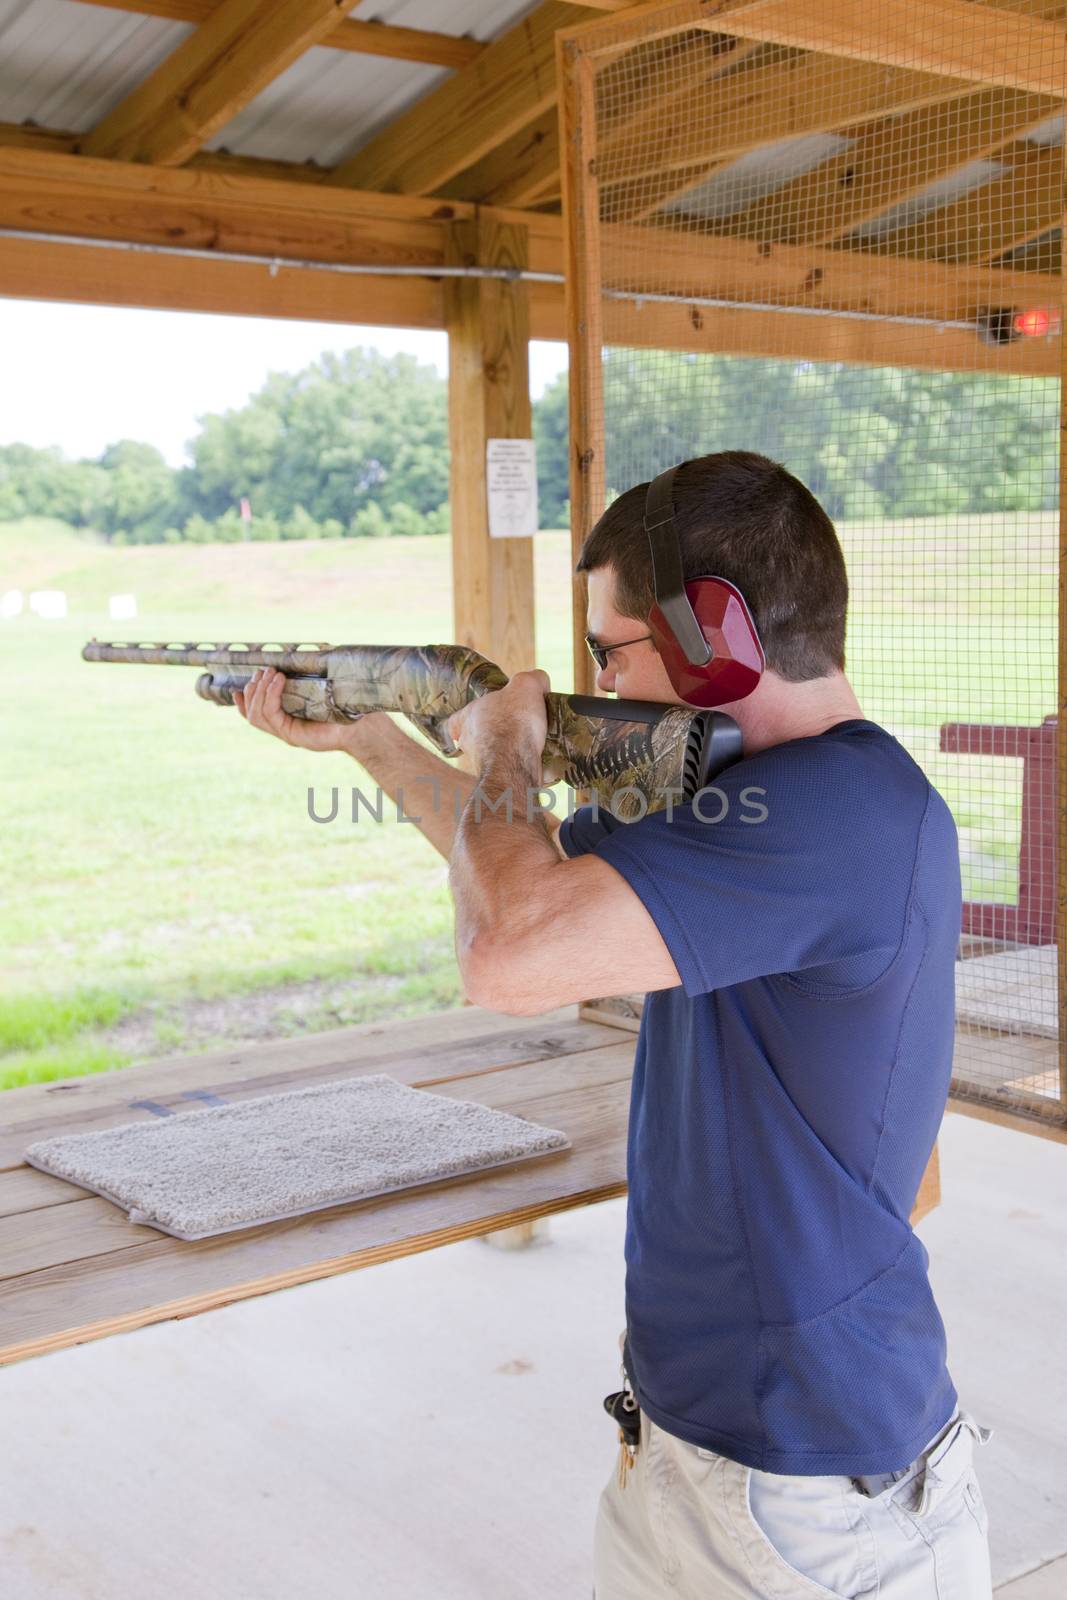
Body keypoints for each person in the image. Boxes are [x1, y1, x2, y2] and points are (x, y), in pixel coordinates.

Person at [235, 450, 992, 1599]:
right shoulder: (743, 806)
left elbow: (508, 953)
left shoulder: (839, 813)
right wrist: (373, 739)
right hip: (696, 1449)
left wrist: (503, 743)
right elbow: (518, 880)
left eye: (607, 648)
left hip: (812, 1494)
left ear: (714, 635)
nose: (588, 674)